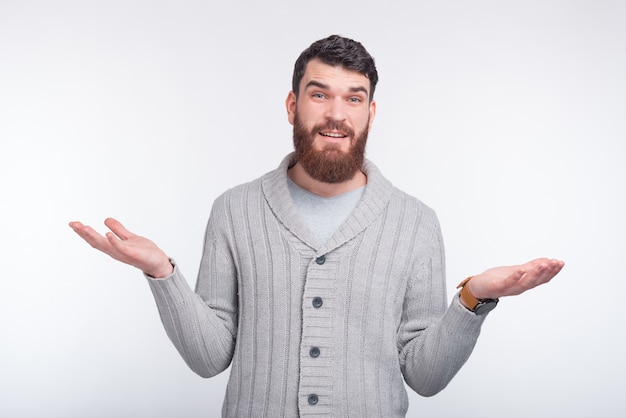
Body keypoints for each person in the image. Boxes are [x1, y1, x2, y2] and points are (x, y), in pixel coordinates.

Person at [69, 35, 564, 417]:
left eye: (353, 99)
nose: (335, 114)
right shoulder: (234, 210)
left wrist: (473, 298)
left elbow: (424, 376)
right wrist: (162, 273)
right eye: (319, 94)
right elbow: (210, 357)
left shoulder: (415, 222)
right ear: (292, 105)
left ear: (370, 112)